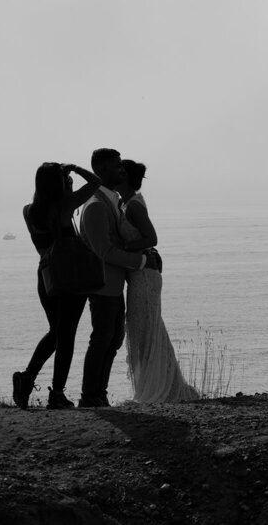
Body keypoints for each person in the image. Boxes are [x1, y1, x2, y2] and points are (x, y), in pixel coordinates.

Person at [14, 162, 102, 409]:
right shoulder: (65, 206)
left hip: (46, 277)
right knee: (66, 335)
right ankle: (57, 394)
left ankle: (27, 378)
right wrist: (74, 169)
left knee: (56, 332)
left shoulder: (28, 211)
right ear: (60, 183)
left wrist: (65, 178)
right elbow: (96, 182)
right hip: (70, 275)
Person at [78, 148, 161, 407]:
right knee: (102, 338)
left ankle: (99, 394)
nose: (122, 171)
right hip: (102, 285)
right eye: (117, 167)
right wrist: (142, 260)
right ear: (100, 171)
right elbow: (105, 251)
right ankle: (90, 395)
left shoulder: (110, 201)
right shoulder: (94, 206)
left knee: (112, 339)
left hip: (114, 285)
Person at [116, 160, 199, 402]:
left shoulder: (133, 207)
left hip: (144, 276)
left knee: (147, 329)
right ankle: (161, 384)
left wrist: (122, 247)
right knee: (146, 329)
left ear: (125, 177)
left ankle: (159, 389)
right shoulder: (124, 202)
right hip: (138, 275)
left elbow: (151, 237)